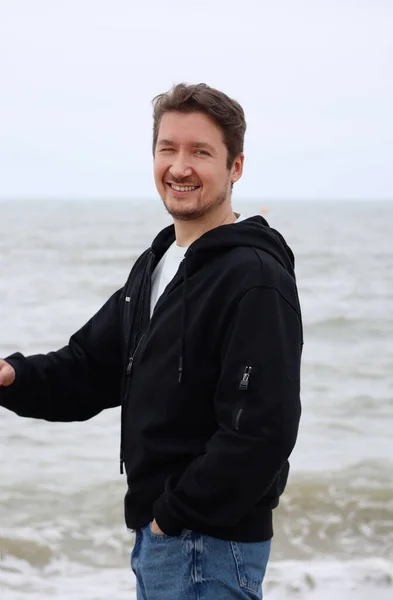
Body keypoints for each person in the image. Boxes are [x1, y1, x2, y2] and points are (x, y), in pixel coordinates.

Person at [0, 83, 303, 599]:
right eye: (168, 148)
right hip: (165, 539)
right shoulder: (160, 263)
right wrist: (12, 375)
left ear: (236, 167)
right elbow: (90, 367)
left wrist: (174, 515)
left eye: (201, 152)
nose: (179, 167)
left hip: (207, 545)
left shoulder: (254, 277)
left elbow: (263, 431)